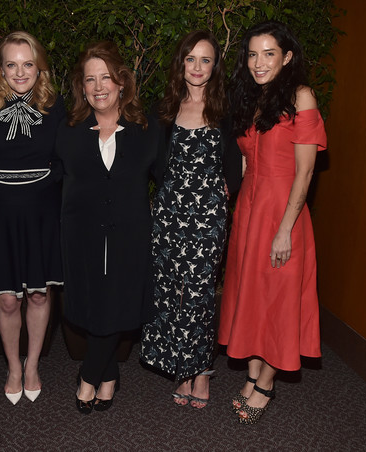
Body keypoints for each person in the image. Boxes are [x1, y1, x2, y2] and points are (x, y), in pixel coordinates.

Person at [218, 20, 327, 424]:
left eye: (269, 53)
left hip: (284, 212)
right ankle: (252, 374)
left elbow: (305, 171)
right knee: (250, 294)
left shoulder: (301, 97)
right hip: (250, 209)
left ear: (287, 57)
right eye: (252, 54)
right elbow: (248, 158)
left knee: (278, 299)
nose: (259, 62)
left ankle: (265, 384)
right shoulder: (252, 98)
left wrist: (285, 229)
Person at [55, 41, 164, 414]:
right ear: (82, 87)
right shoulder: (68, 131)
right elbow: (52, 180)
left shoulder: (146, 130)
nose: (98, 87)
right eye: (90, 79)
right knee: (93, 307)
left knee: (119, 304)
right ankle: (110, 374)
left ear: (121, 82)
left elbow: (167, 178)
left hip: (129, 237)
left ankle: (89, 376)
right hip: (81, 236)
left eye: (106, 77)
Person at [140, 30, 234, 409]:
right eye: (190, 58)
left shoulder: (226, 111)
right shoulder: (164, 110)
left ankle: (201, 370)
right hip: (169, 214)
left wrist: (227, 190)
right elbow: (152, 162)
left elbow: (237, 162)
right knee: (169, 290)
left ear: (215, 66)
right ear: (181, 63)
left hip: (208, 215)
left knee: (199, 292)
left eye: (205, 60)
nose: (197, 67)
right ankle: (181, 368)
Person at [0, 31, 65, 405]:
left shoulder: (55, 106)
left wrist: (49, 185)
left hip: (40, 210)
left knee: (39, 294)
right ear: (0, 68)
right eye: (12, 64)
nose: (20, 72)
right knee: (7, 300)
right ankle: (13, 366)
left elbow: (67, 157)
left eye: (28, 64)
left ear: (39, 67)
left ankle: (32, 367)